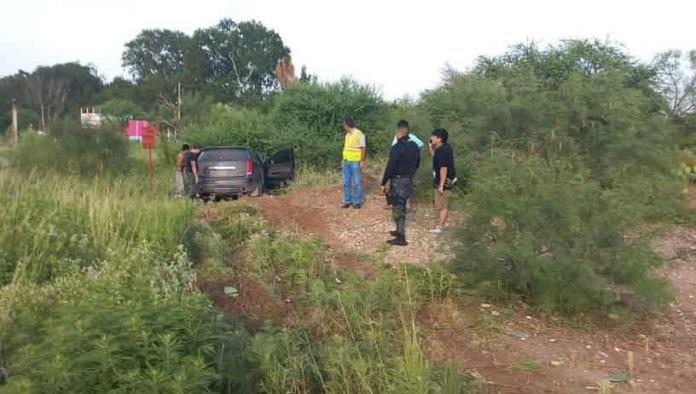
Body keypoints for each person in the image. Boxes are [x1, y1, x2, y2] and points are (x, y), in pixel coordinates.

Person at [381, 120, 421, 246]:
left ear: (399, 132)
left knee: (398, 207)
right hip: (408, 179)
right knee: (401, 205)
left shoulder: (396, 147)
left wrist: (384, 181)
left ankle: (401, 237)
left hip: (398, 180)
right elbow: (417, 162)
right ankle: (398, 230)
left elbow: (390, 166)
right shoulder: (415, 146)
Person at [429, 128, 456, 234]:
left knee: (442, 205)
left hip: (444, 180)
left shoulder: (442, 151)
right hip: (446, 179)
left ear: (439, 139)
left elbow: (443, 168)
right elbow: (435, 158)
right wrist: (431, 147)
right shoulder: (444, 148)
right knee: (441, 204)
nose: (431, 138)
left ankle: (440, 227)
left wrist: (441, 185)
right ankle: (440, 224)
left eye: (433, 137)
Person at [341, 117, 366, 209]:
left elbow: (363, 148)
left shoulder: (360, 134)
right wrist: (343, 159)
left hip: (355, 160)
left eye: (344, 124)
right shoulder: (347, 135)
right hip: (347, 160)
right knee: (346, 182)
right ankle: (348, 201)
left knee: (357, 182)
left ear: (348, 125)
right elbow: (346, 147)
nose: (343, 126)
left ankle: (357, 201)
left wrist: (362, 160)